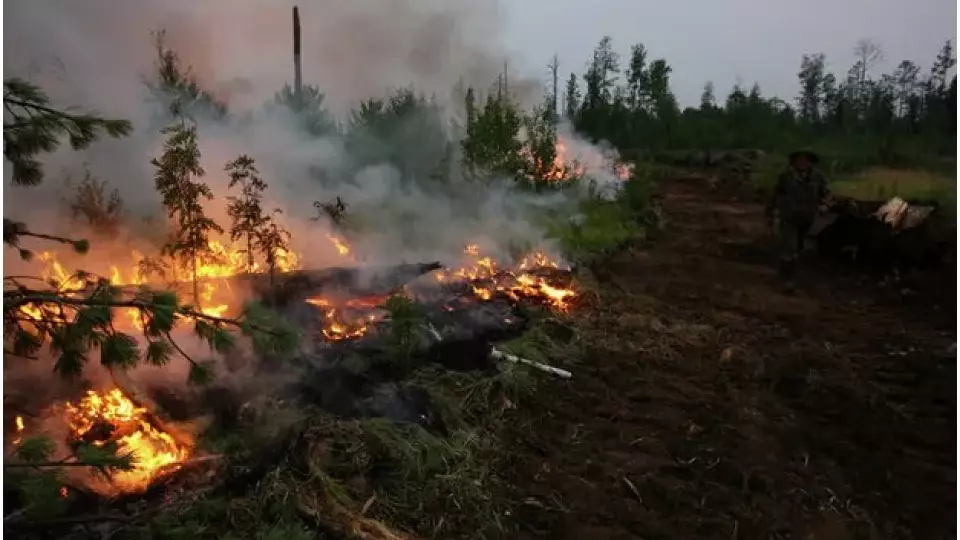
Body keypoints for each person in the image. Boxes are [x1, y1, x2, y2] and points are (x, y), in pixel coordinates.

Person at [765, 149, 831, 284]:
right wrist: (770, 212)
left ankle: (792, 274)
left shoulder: (818, 177)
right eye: (799, 160)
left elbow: (827, 194)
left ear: (810, 163)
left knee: (800, 247)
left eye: (805, 161)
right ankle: (786, 278)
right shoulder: (786, 177)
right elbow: (776, 195)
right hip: (789, 216)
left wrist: (825, 205)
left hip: (808, 217)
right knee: (790, 246)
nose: (802, 163)